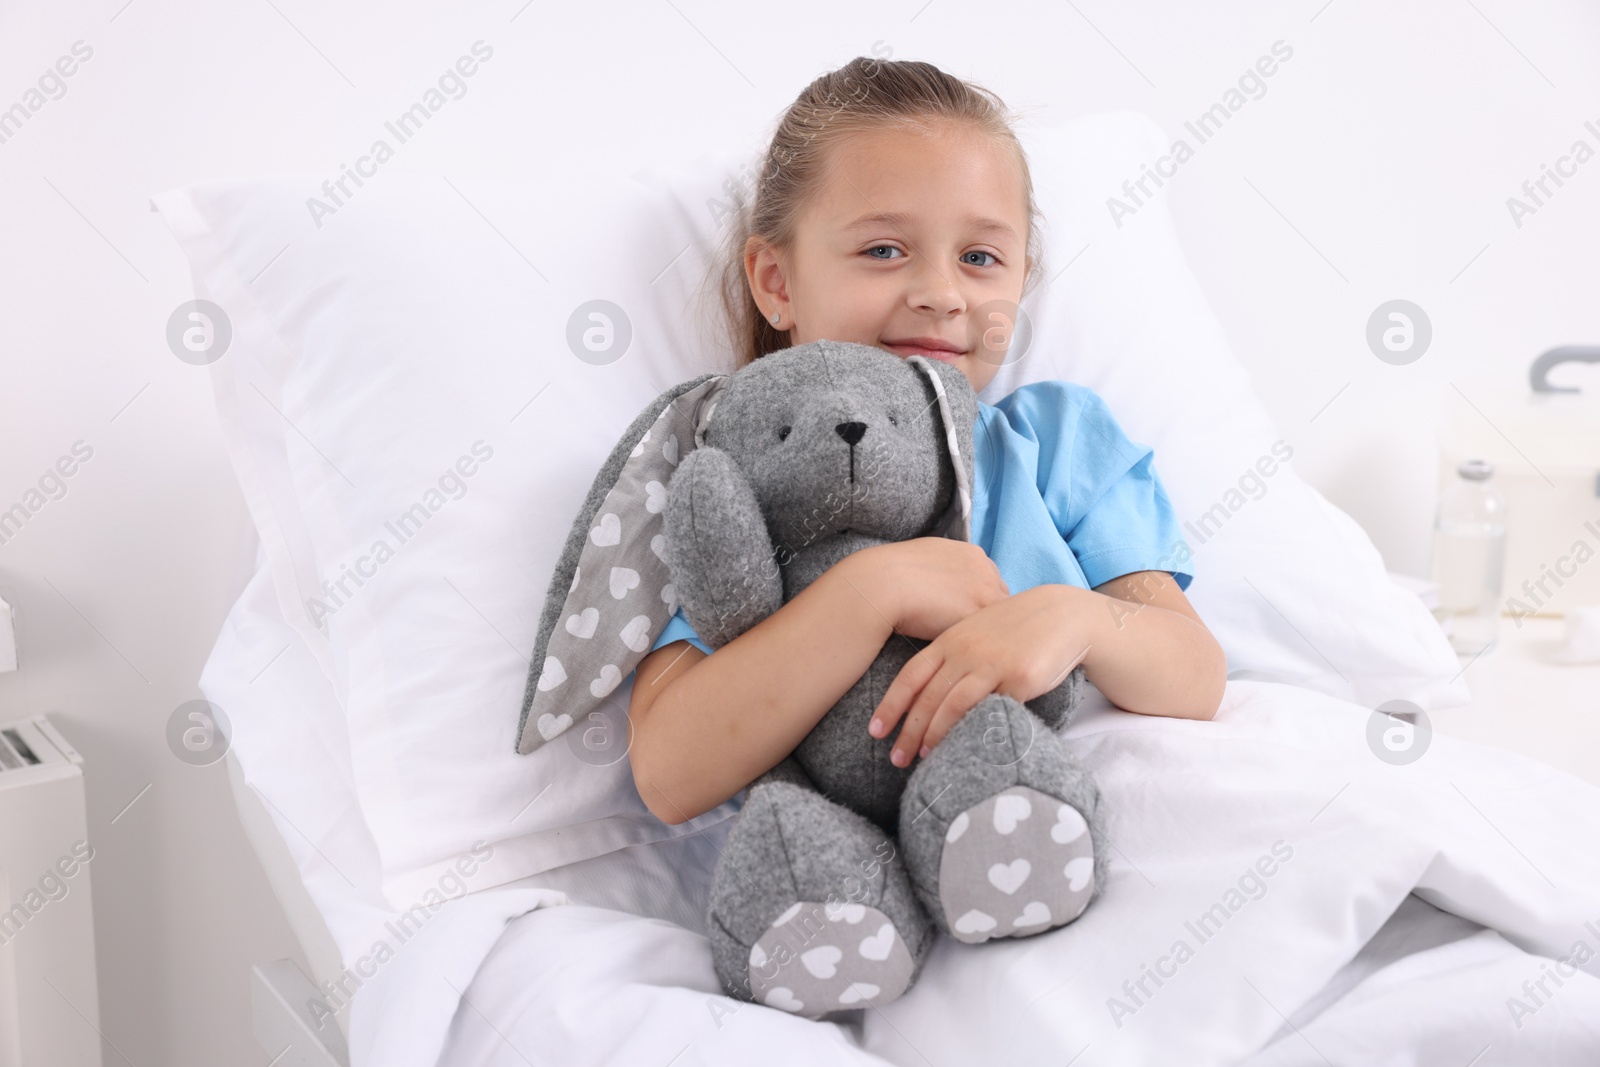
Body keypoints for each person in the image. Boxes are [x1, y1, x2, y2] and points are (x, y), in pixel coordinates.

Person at [628, 56, 1226, 829]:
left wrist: (1072, 618)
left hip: (1034, 825)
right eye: (884, 250)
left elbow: (1197, 672)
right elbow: (670, 773)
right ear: (776, 281)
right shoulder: (742, 482)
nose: (943, 294)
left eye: (980, 258)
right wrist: (869, 594)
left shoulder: (1055, 443)